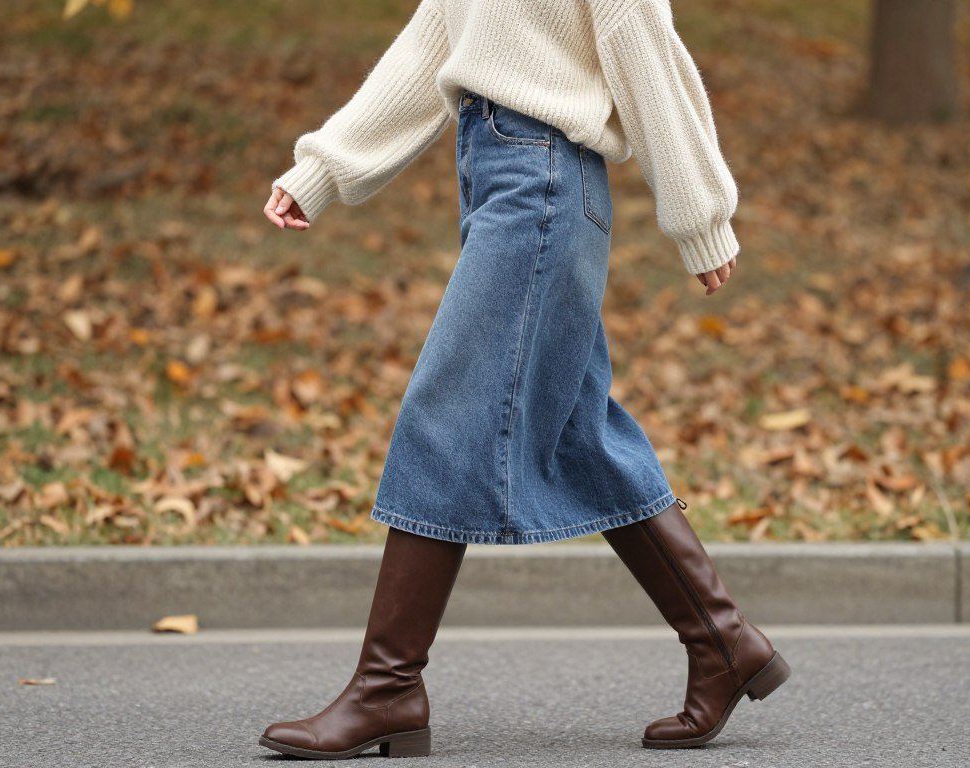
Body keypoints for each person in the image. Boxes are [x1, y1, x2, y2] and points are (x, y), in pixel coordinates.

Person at [259, 0, 789, 759]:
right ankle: (724, 642)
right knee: (578, 432)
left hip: (540, 180)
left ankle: (387, 687)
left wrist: (699, 214)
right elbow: (434, 43)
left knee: (447, 411)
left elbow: (645, 47)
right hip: (498, 172)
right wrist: (325, 166)